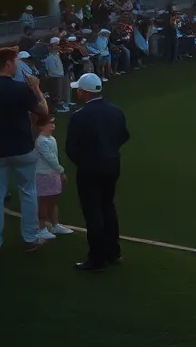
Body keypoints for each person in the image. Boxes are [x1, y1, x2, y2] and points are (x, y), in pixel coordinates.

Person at [0, 47, 48, 251]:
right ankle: (30, 238)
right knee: (28, 192)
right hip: (23, 148)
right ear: (8, 64)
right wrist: (37, 89)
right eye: (15, 62)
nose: (17, 66)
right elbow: (43, 112)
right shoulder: (21, 89)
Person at [65, 72, 130, 271]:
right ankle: (113, 252)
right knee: (107, 207)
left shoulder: (79, 116)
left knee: (93, 211)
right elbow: (124, 136)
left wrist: (84, 161)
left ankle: (97, 258)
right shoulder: (115, 111)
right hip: (112, 164)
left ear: (84, 92)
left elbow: (71, 148)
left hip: (90, 168)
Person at [34, 115, 74, 241]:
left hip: (53, 174)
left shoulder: (51, 139)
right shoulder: (41, 141)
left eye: (53, 123)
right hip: (44, 175)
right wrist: (61, 171)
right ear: (41, 126)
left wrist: (58, 172)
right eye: (49, 124)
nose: (53, 126)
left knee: (53, 200)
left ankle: (55, 225)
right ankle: (41, 228)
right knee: (44, 202)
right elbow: (50, 159)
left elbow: (54, 158)